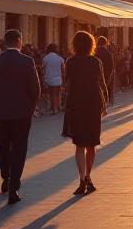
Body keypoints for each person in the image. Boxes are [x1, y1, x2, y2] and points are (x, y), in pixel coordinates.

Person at [0, 29, 41, 204]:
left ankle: (5, 177)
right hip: (22, 113)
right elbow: (35, 88)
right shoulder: (27, 61)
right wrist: (32, 108)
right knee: (19, 148)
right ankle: (14, 186)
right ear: (18, 41)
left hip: (0, 113)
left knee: (2, 147)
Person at [62, 31, 108, 195]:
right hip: (93, 103)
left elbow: (66, 85)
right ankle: (89, 176)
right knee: (92, 144)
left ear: (74, 45)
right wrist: (105, 103)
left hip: (76, 104)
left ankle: (81, 178)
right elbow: (102, 84)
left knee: (79, 144)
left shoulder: (70, 62)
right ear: (91, 45)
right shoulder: (96, 62)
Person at [41, 44, 65, 115]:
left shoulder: (45, 58)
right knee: (58, 93)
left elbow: (43, 70)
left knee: (52, 94)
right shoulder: (60, 58)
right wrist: (63, 80)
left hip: (49, 78)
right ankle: (58, 107)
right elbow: (63, 70)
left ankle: (54, 109)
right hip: (58, 78)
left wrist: (43, 79)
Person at [96, 36, 116, 106]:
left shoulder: (96, 53)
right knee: (107, 88)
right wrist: (109, 77)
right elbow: (111, 66)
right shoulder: (108, 53)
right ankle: (108, 101)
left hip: (98, 74)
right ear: (106, 43)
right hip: (107, 73)